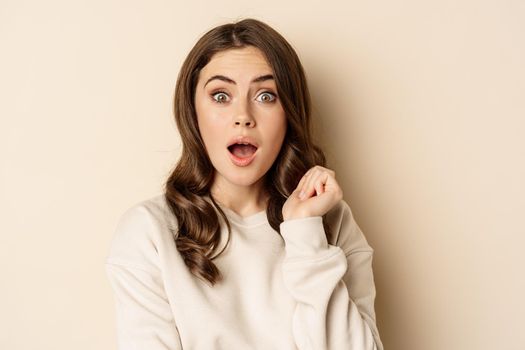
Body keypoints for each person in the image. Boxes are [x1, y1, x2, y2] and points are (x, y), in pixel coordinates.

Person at [105, 18, 384, 350]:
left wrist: (305, 232)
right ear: (192, 112)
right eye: (221, 95)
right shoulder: (149, 231)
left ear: (289, 112)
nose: (243, 116)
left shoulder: (331, 220)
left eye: (266, 96)